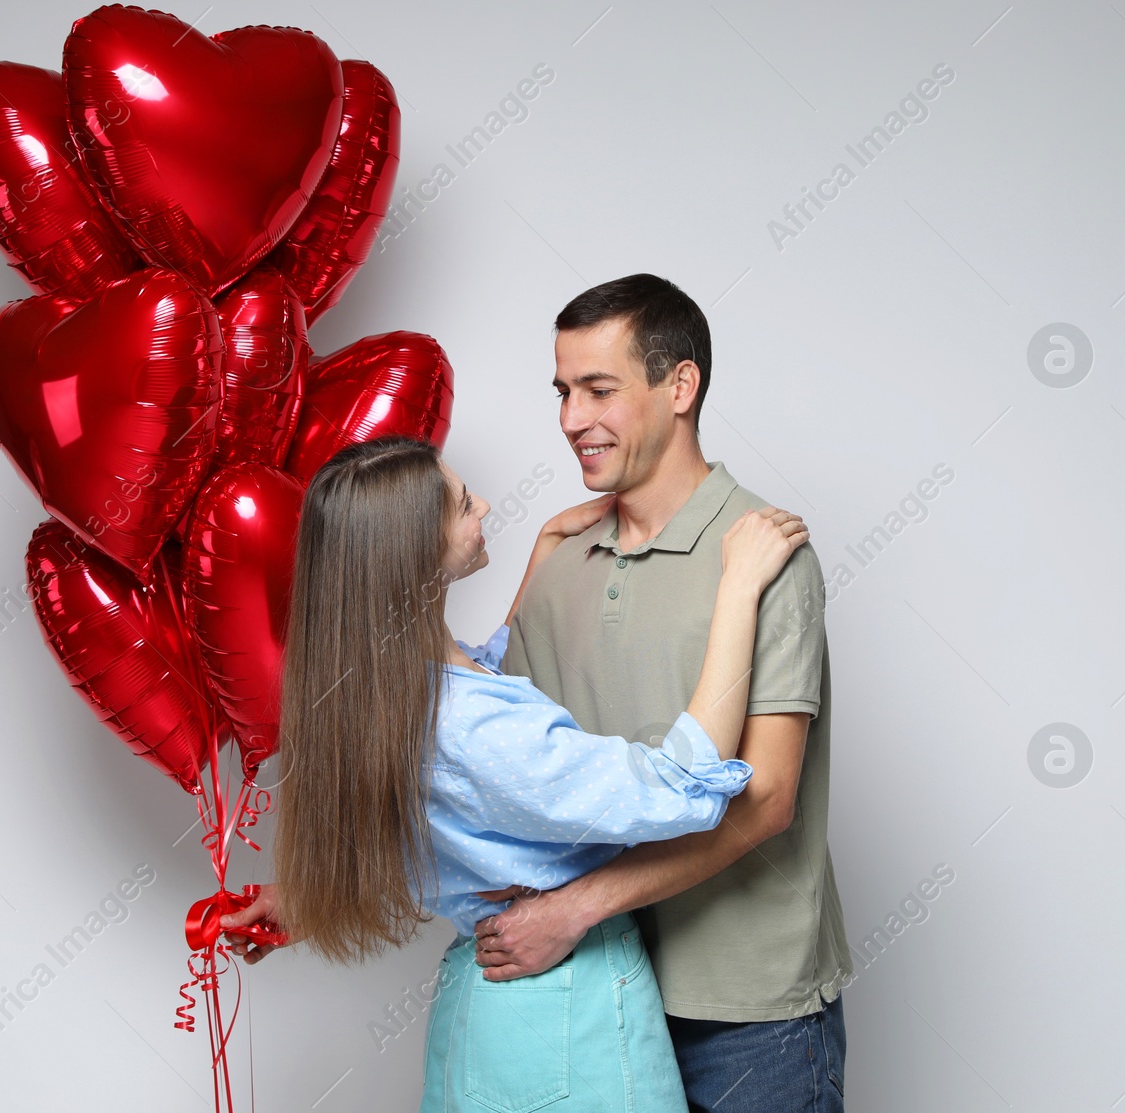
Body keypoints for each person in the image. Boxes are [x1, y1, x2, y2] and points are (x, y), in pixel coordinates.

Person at [223, 434, 810, 1111]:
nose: (487, 505)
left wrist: (541, 552)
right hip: (563, 1014)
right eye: (465, 503)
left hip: (487, 1010)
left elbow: (490, 683)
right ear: (416, 556)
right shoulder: (468, 727)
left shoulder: (382, 695)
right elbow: (680, 786)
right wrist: (739, 586)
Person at [474, 273, 851, 1112]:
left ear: (680, 386)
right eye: (564, 391)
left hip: (749, 1019)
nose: (572, 418)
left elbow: (766, 800)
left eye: (599, 389)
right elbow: (491, 772)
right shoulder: (561, 566)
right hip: (592, 998)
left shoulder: (764, 553)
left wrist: (573, 909)